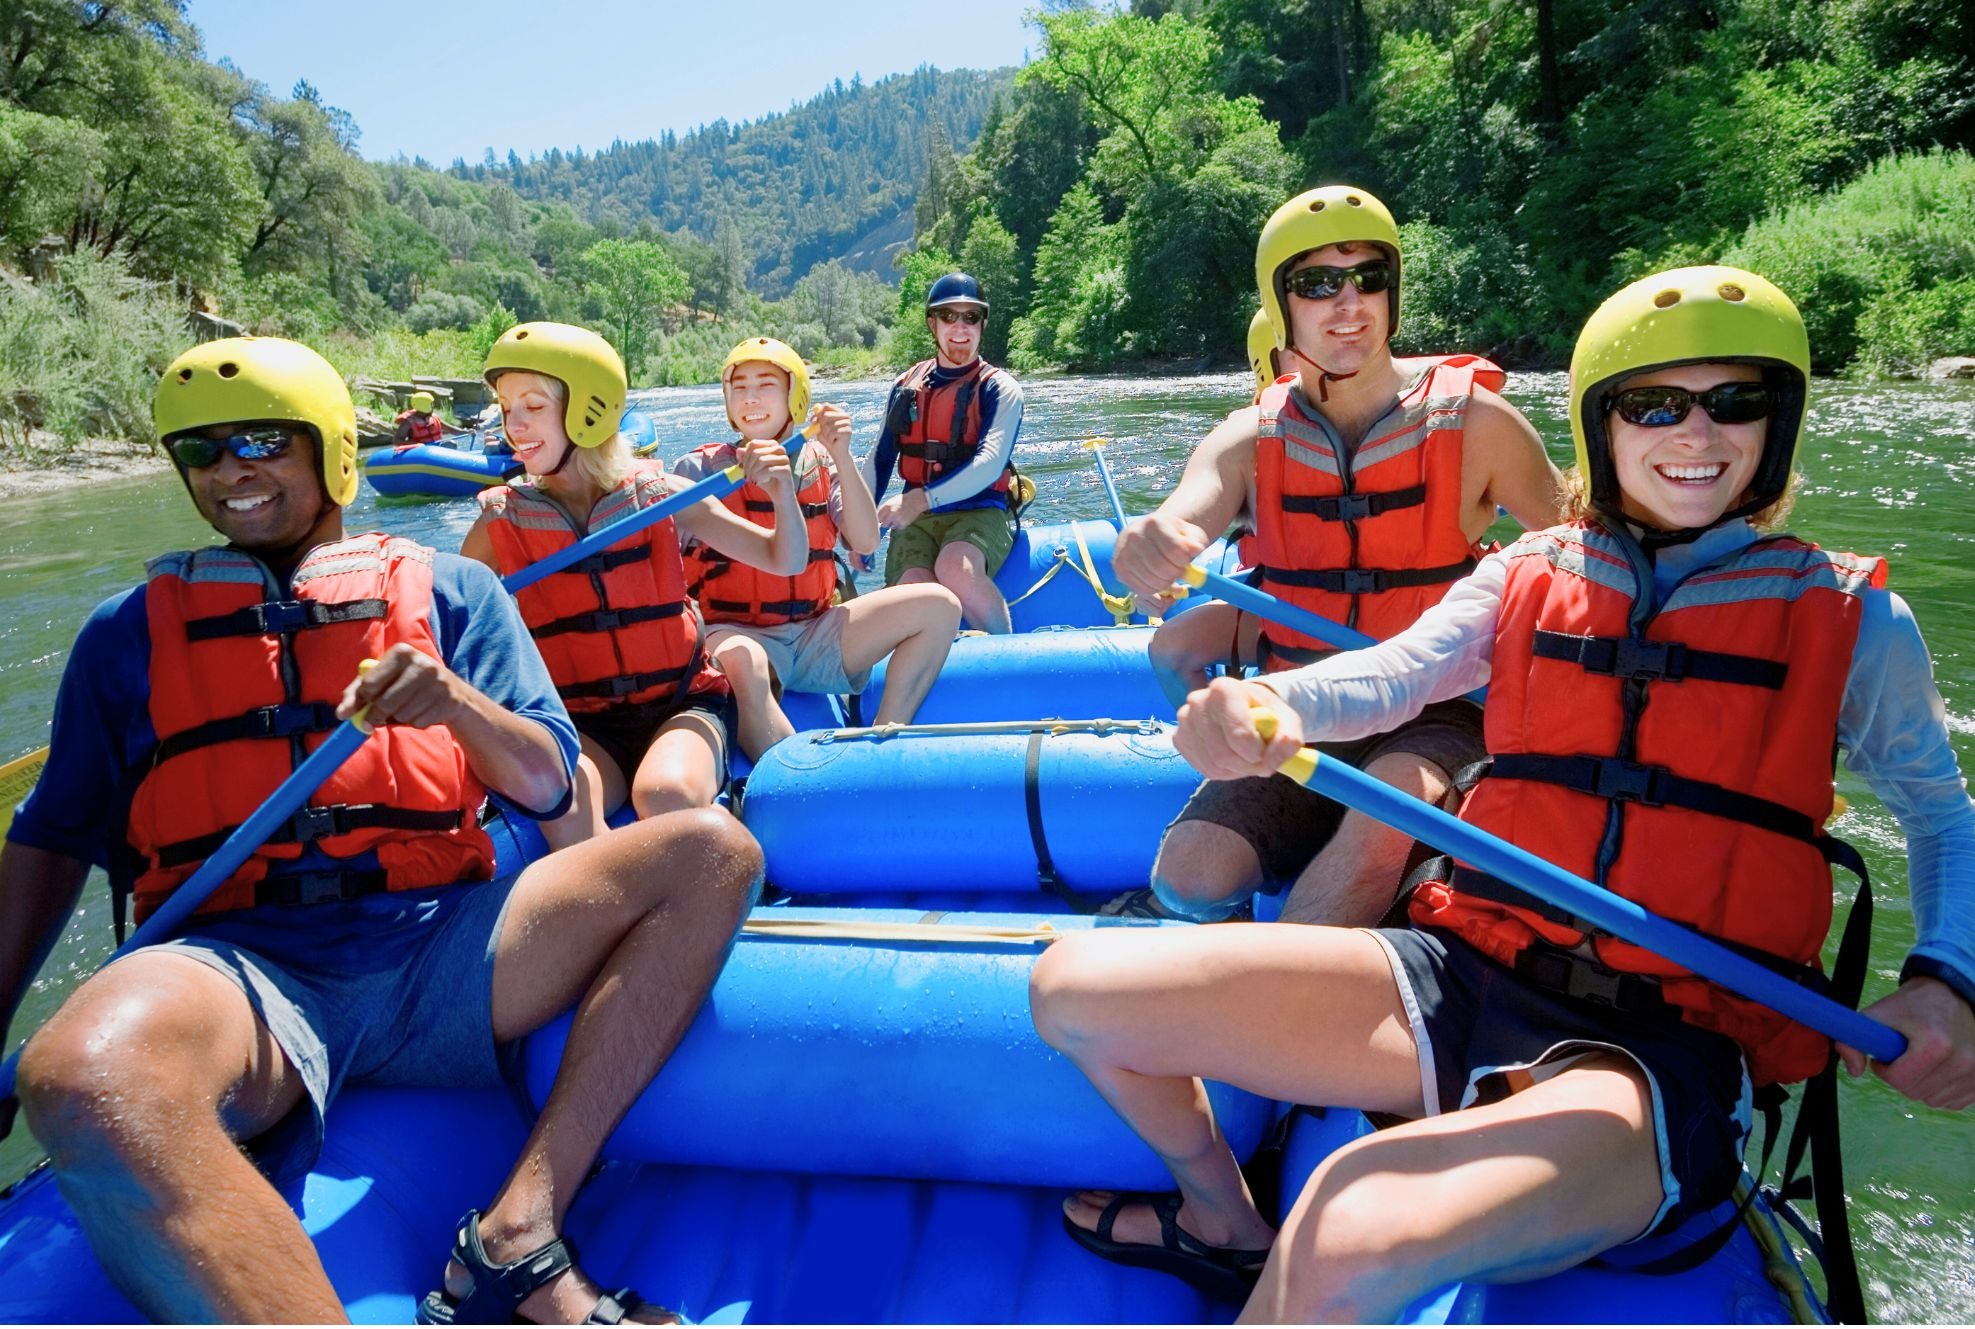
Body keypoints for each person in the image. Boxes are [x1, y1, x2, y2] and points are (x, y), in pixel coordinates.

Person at [1031, 267, 1975, 1322]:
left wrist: (1947, 977)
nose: (1695, 435)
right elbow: (1395, 672)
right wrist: (1273, 706)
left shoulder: (1850, 620)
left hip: (1666, 1046)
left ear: (1777, 423)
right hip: (1466, 974)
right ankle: (1222, 1216)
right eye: (1655, 404)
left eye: (1734, 402)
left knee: (1352, 1210)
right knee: (1077, 987)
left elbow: (1940, 815)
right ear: (1602, 426)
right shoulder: (1529, 570)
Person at [0, 336, 761, 1324]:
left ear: (326, 450)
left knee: (712, 852)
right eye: (202, 451)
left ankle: (521, 1231)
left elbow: (545, 782)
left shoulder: (454, 591)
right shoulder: (124, 634)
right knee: (77, 1073)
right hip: (244, 972)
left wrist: (453, 705)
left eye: (264, 440)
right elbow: (52, 841)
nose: (233, 468)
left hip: (444, 943)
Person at [1111, 185, 1564, 926]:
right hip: (1303, 703)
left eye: (1368, 278)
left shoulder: (1477, 423)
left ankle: (1273, 1006)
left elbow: (1590, 550)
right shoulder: (1246, 439)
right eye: (1316, 283)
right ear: (1281, 304)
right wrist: (1156, 540)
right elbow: (1187, 507)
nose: (1347, 303)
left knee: (1384, 819)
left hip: (1440, 712)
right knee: (1188, 879)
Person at [460, 323, 808, 848]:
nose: (514, 425)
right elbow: (455, 627)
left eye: (532, 405)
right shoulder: (499, 522)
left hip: (681, 703)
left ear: (587, 409)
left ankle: (740, 847)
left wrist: (782, 492)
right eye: (507, 408)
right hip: (585, 725)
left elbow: (785, 559)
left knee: (664, 795)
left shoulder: (660, 495)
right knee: (566, 808)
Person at [673, 337, 961, 760]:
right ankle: (799, 774)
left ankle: (883, 740)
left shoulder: (821, 462)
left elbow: (864, 540)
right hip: (735, 632)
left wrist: (841, 454)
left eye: (766, 385)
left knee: (940, 605)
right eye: (740, 387)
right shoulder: (697, 470)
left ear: (795, 395)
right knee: (743, 660)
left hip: (814, 632)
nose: (750, 398)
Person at [1140, 308, 1287, 714]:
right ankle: (1220, 746)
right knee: (1169, 648)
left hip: (1371, 625)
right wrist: (1158, 565)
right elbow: (1195, 505)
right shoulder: (1246, 436)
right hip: (1285, 609)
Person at [866, 272, 1026, 634]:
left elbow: (988, 466)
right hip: (918, 522)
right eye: (948, 315)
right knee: (915, 593)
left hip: (980, 511)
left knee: (956, 568)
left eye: (971, 317)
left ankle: (1005, 658)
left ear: (982, 324)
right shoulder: (904, 386)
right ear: (932, 323)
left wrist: (920, 500)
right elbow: (879, 459)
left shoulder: (1000, 389)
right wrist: (861, 528)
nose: (960, 327)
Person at [393, 389, 465, 444]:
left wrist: (466, 432)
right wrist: (418, 444)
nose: (433, 406)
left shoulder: (434, 417)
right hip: (420, 452)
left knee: (451, 443)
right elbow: (398, 440)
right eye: (431, 404)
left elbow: (451, 429)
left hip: (435, 449)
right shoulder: (408, 422)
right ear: (424, 405)